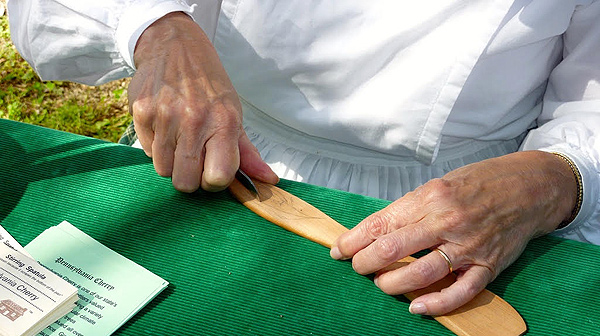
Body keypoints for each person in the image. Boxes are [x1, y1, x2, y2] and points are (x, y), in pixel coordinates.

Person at [8, 1, 600, 316]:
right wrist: (154, 26)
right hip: (221, 156)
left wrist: (551, 179)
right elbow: (43, 15)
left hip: (463, 214)